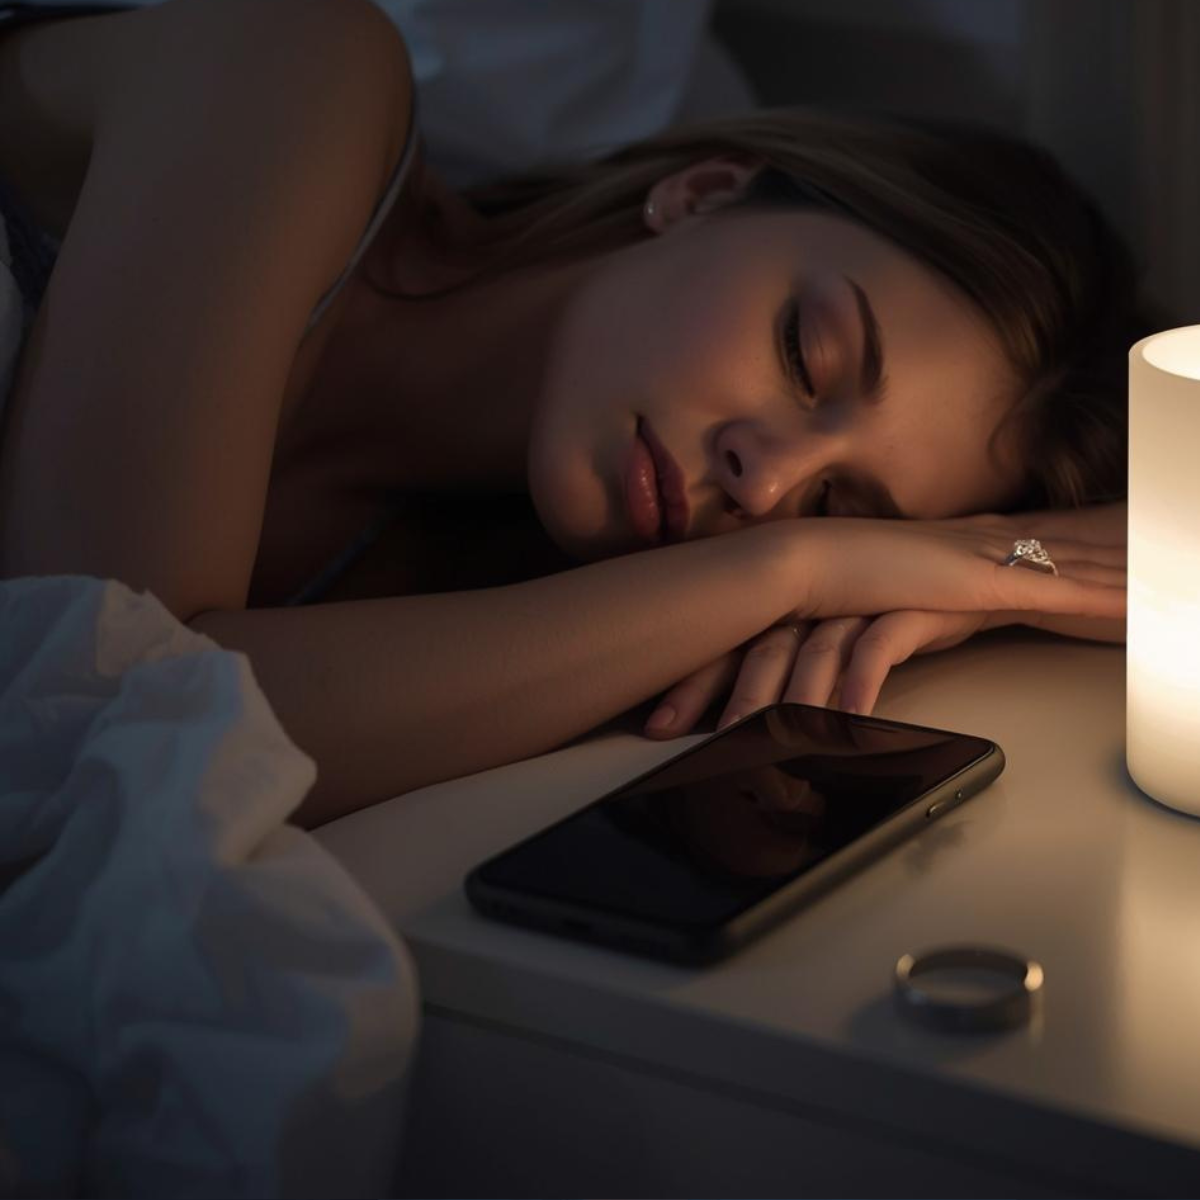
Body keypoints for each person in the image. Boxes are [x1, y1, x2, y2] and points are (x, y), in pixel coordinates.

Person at [0, 0, 1138, 827]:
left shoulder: (446, 596)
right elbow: (76, 707)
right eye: (805, 353)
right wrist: (818, 563)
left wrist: (853, 570)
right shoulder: (297, 76)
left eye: (841, 504)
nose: (767, 482)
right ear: (702, 193)